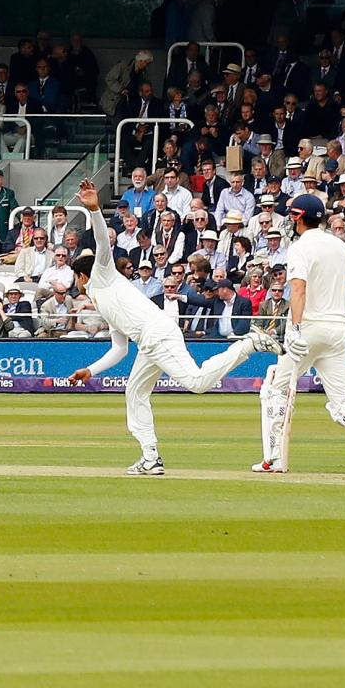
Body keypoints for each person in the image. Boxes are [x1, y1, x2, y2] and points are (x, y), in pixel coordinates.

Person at [61, 180, 266, 474]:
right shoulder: (102, 299)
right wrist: (90, 371)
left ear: (82, 275)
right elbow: (119, 348)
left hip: (157, 334)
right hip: (150, 341)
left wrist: (94, 210)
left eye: (75, 278)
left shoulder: (102, 275)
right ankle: (150, 458)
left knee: (196, 383)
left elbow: (102, 244)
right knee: (135, 392)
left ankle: (248, 344)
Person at [254, 194, 345, 475]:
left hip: (309, 329)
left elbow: (299, 289)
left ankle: (274, 457)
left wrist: (297, 327)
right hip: (339, 330)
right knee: (342, 398)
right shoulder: (338, 245)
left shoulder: (299, 248)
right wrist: (341, 309)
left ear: (298, 218)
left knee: (274, 388)